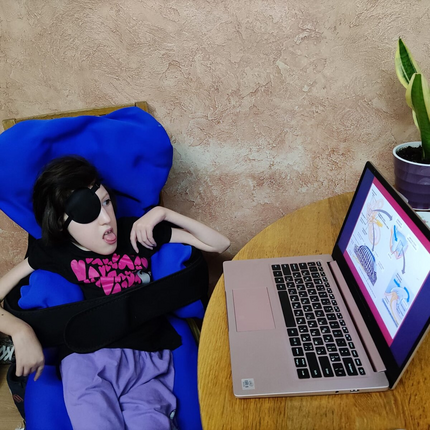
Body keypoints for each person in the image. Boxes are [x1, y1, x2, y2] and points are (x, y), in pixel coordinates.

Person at [0, 155, 230, 429]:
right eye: (86, 212)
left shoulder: (136, 233)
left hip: (148, 358)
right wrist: (20, 331)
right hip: (89, 361)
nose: (106, 220)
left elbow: (220, 244)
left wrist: (164, 214)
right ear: (61, 222)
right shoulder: (54, 253)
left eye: (106, 202)